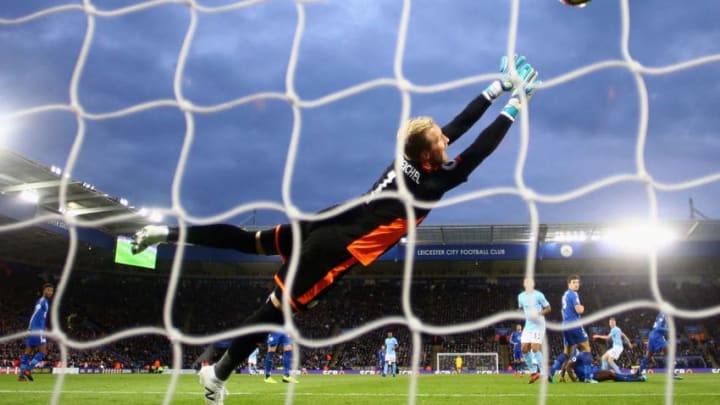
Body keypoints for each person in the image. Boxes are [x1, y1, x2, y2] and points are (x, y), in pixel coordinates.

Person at [131, 54, 541, 404]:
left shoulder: (407, 158)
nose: (446, 139)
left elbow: (459, 125)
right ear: (427, 151)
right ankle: (216, 376)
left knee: (244, 241)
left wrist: (499, 85)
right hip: (337, 250)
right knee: (275, 313)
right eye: (440, 139)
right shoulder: (432, 185)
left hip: (327, 219)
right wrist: (516, 105)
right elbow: (479, 149)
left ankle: (163, 233)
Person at [549, 274, 596, 383]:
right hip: (574, 324)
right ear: (569, 284)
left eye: (577, 282)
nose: (576, 284)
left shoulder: (564, 295)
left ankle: (551, 373)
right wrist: (583, 308)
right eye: (574, 282)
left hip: (565, 325)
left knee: (567, 353)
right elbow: (579, 310)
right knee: (586, 348)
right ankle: (588, 377)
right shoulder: (573, 294)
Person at [517, 278, 551, 384]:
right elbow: (521, 309)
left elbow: (548, 308)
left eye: (530, 282)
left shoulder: (539, 295)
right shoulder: (521, 297)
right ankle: (533, 373)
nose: (528, 284)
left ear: (533, 284)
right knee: (524, 349)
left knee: (535, 348)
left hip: (539, 324)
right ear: (524, 284)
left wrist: (538, 314)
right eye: (526, 282)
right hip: (528, 325)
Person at [19, 283, 54, 382]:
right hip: (38, 330)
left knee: (27, 352)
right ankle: (28, 369)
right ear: (44, 291)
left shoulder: (43, 301)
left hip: (34, 329)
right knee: (43, 352)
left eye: (51, 291)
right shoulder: (42, 301)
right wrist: (31, 327)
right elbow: (34, 314)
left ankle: (21, 376)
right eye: (48, 290)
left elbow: (39, 317)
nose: (50, 292)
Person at [637, 312, 682, 380]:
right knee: (668, 353)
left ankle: (638, 373)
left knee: (648, 356)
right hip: (657, 336)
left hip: (652, 335)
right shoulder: (664, 315)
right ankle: (672, 374)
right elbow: (658, 328)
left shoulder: (662, 315)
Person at [563, 352, 646, 383]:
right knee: (611, 374)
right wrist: (574, 380)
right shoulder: (575, 353)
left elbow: (568, 365)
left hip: (594, 371)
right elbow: (568, 367)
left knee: (612, 375)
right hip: (591, 375)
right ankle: (636, 378)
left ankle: (635, 377)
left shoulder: (583, 352)